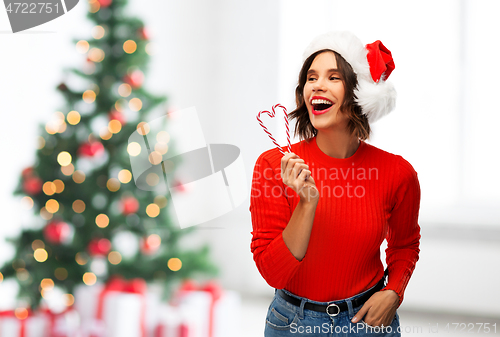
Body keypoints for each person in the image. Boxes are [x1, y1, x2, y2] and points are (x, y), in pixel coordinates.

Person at [250, 31, 421, 336]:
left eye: (333, 77)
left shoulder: (398, 172)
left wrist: (394, 292)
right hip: (292, 323)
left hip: (367, 322)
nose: (317, 84)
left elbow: (404, 244)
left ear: (358, 92)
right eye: (311, 77)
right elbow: (273, 272)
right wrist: (306, 202)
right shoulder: (272, 166)